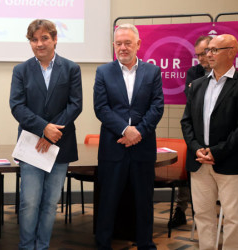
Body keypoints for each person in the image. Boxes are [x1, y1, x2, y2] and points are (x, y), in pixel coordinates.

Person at [9, 19, 82, 249]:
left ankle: (42, 246)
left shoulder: (71, 68)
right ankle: (27, 246)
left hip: (60, 144)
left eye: (44, 38)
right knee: (29, 202)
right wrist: (43, 128)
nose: (39, 44)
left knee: (50, 203)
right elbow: (17, 106)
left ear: (55, 39)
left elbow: (75, 104)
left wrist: (52, 131)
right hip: (31, 144)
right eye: (34, 39)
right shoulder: (21, 70)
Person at [181, 34, 238, 249]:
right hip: (199, 162)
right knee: (203, 215)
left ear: (232, 51)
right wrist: (197, 149)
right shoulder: (196, 85)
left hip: (230, 162)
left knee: (232, 218)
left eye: (215, 50)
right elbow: (186, 122)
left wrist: (216, 152)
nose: (209, 54)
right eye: (208, 50)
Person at [94, 23, 164, 250]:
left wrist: (139, 132)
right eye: (118, 43)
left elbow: (157, 106)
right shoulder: (103, 72)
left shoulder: (152, 72)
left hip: (142, 148)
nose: (123, 48)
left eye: (127, 43)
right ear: (113, 45)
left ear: (138, 45)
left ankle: (146, 244)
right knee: (108, 201)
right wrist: (126, 130)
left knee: (143, 201)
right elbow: (101, 108)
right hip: (113, 147)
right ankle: (103, 244)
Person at [170, 35, 213, 229]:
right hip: (195, 135)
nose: (201, 59)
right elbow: (192, 98)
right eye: (198, 55)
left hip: (219, 137)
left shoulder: (232, 76)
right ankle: (181, 211)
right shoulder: (194, 72)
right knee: (189, 173)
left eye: (204, 53)